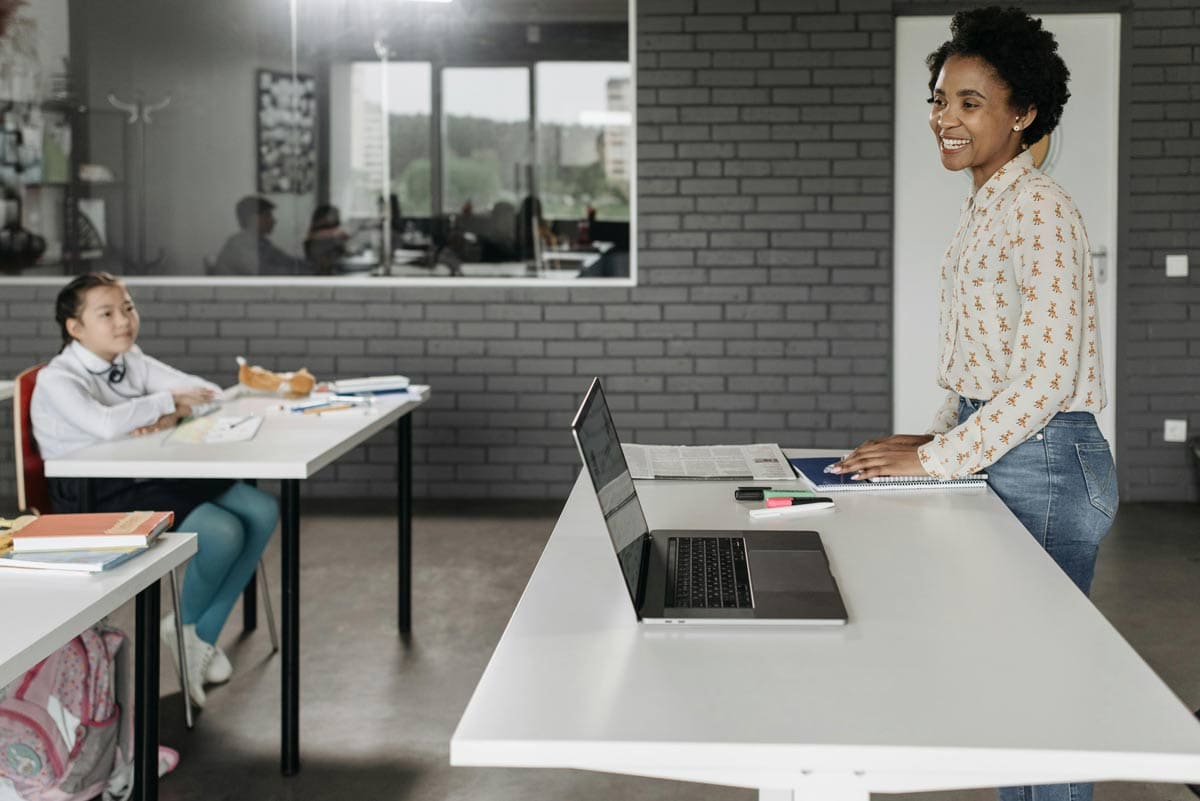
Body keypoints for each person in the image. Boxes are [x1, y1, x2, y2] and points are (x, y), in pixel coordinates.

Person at [831, 10, 1117, 801]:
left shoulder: (1041, 208)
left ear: (1021, 111)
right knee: (1009, 688)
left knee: (1046, 695)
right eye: (938, 100)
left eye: (968, 102)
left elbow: (1045, 379)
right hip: (1010, 450)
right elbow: (983, 367)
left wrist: (933, 459)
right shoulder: (985, 206)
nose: (944, 119)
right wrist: (933, 432)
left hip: (1051, 465)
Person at [30, 272, 279, 708]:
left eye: (128, 308)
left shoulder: (134, 360)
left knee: (261, 509)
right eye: (106, 313)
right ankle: (190, 633)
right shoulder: (59, 378)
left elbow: (210, 393)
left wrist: (166, 413)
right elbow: (105, 424)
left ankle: (194, 634)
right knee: (222, 532)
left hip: (146, 469)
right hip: (93, 491)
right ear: (75, 327)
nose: (124, 321)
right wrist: (167, 405)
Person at [212, 195, 309, 275]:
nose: (274, 220)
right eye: (268, 215)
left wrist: (315, 267)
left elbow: (287, 261)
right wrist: (310, 272)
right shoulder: (240, 245)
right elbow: (266, 274)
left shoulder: (262, 243)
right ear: (254, 219)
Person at [303, 203, 349, 275]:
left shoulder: (334, 232)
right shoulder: (317, 235)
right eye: (333, 215)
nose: (336, 218)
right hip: (319, 272)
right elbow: (312, 236)